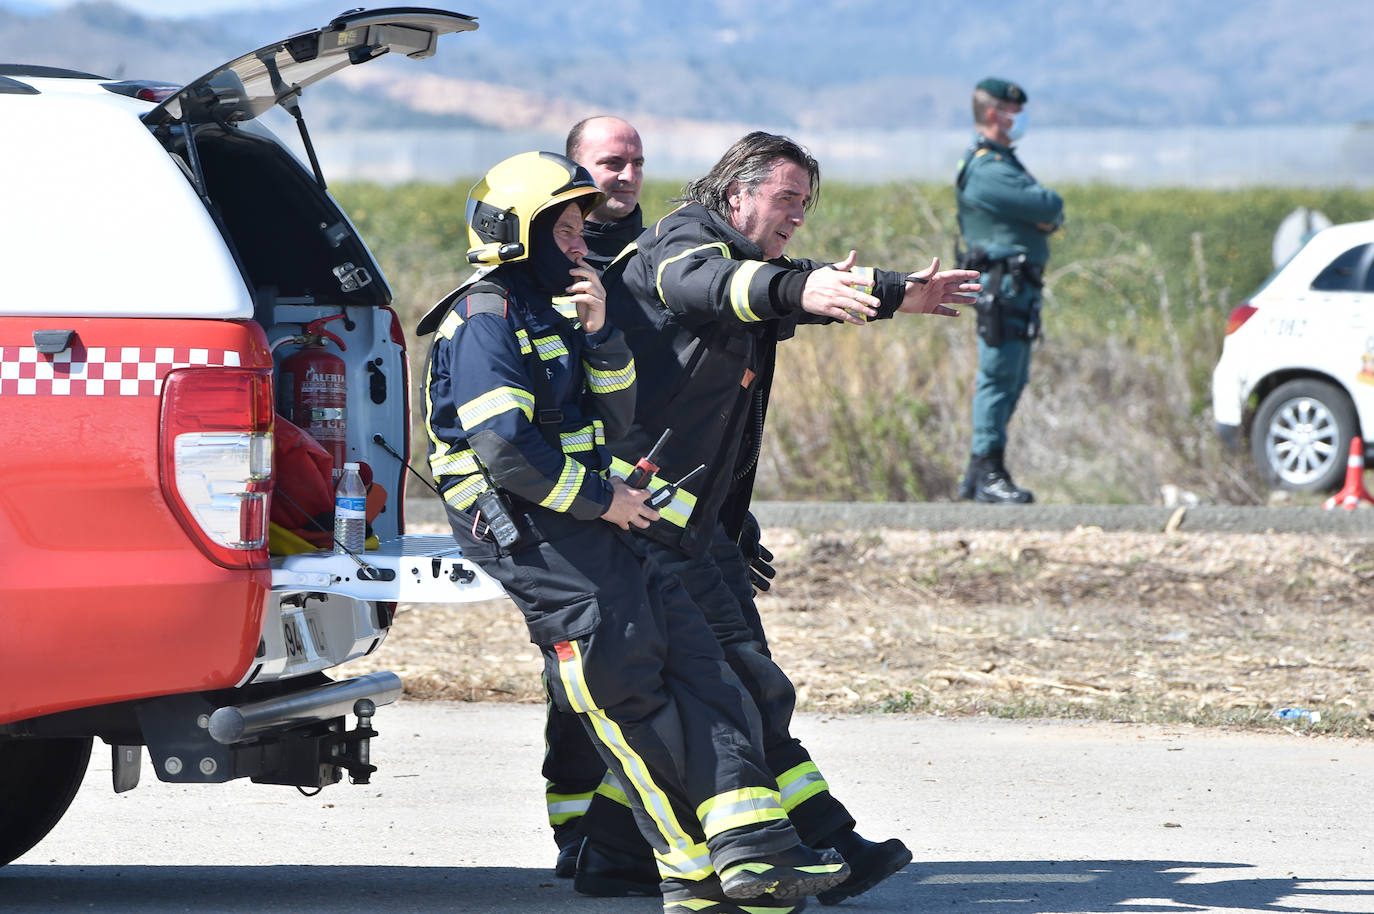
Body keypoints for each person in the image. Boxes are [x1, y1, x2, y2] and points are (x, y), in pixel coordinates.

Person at [418, 150, 850, 914]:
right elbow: (506, 454)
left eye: (584, 229)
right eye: (569, 229)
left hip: (596, 516)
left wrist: (600, 334)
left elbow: (614, 415)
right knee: (628, 685)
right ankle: (686, 872)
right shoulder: (485, 322)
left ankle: (755, 852)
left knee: (702, 663)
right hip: (533, 526)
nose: (584, 243)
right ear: (521, 232)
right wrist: (601, 501)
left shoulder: (556, 311)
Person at [579, 131, 980, 907]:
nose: (798, 213)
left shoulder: (747, 260)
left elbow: (795, 282)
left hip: (696, 519)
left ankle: (614, 852)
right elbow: (712, 287)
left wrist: (903, 293)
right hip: (645, 515)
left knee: (721, 686)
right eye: (787, 197)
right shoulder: (682, 243)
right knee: (740, 682)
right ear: (738, 194)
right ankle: (825, 842)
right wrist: (799, 293)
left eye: (805, 202)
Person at [954, 77, 1064, 504]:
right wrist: (1043, 214)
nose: (1021, 119)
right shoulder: (987, 168)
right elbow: (1048, 206)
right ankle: (987, 471)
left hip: (1016, 288)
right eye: (1014, 112)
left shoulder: (1004, 162)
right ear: (997, 115)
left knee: (1011, 376)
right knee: (999, 377)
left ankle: (978, 473)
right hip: (1001, 288)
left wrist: (1044, 215)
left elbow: (1048, 212)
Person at [567, 115, 646, 269]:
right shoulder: (539, 257)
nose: (629, 176)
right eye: (612, 163)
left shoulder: (662, 253)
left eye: (637, 164)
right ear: (572, 167)